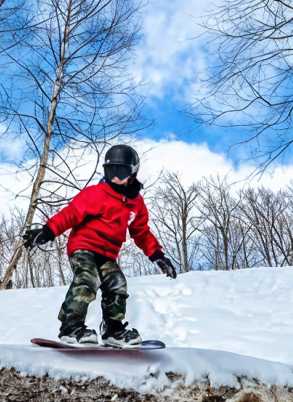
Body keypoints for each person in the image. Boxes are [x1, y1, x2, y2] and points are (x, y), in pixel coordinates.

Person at [22, 144, 178, 346]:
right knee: (87, 278)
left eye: (120, 173)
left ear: (133, 173)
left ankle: (113, 329)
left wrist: (157, 255)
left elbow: (141, 232)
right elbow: (70, 214)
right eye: (110, 172)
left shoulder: (136, 202)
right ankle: (70, 326)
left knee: (117, 282)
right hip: (83, 247)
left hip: (108, 254)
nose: (115, 178)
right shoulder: (95, 194)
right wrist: (47, 231)